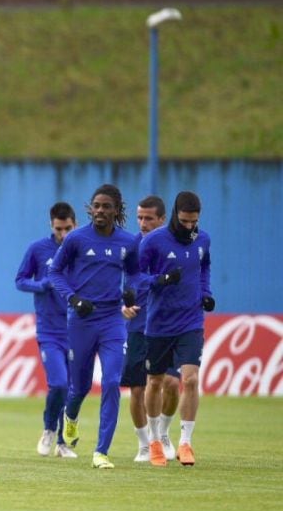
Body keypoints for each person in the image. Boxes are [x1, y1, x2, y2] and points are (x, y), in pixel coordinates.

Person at [48, 184, 139, 469]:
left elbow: (135, 273)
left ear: (116, 210)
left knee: (112, 382)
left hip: (112, 320)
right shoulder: (75, 239)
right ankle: (70, 418)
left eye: (106, 206)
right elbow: (55, 272)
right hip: (81, 321)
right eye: (96, 206)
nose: (100, 211)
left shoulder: (128, 241)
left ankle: (101, 452)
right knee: (79, 388)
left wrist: (130, 292)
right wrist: (73, 299)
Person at [139, 191, 213, 467]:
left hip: (191, 321)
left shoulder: (203, 239)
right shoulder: (154, 241)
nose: (189, 226)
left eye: (193, 221)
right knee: (156, 382)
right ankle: (155, 440)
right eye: (184, 221)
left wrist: (206, 293)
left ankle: (186, 443)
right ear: (174, 216)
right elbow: (137, 277)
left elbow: (204, 267)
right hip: (159, 323)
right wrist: (161, 279)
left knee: (190, 380)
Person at [120, 195, 181, 462]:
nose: (143, 223)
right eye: (139, 218)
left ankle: (164, 433)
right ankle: (145, 444)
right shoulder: (130, 246)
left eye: (148, 218)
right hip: (136, 326)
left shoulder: (175, 246)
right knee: (136, 388)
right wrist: (121, 304)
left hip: (167, 324)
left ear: (162, 219)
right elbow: (118, 280)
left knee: (170, 383)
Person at [15, 201, 78, 459]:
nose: (63, 235)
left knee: (74, 389)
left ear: (75, 225)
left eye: (68, 229)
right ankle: (49, 429)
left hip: (78, 329)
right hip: (49, 330)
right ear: (51, 226)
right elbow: (20, 281)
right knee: (59, 384)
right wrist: (42, 284)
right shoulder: (38, 249)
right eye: (59, 229)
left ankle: (64, 443)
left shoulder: (84, 249)